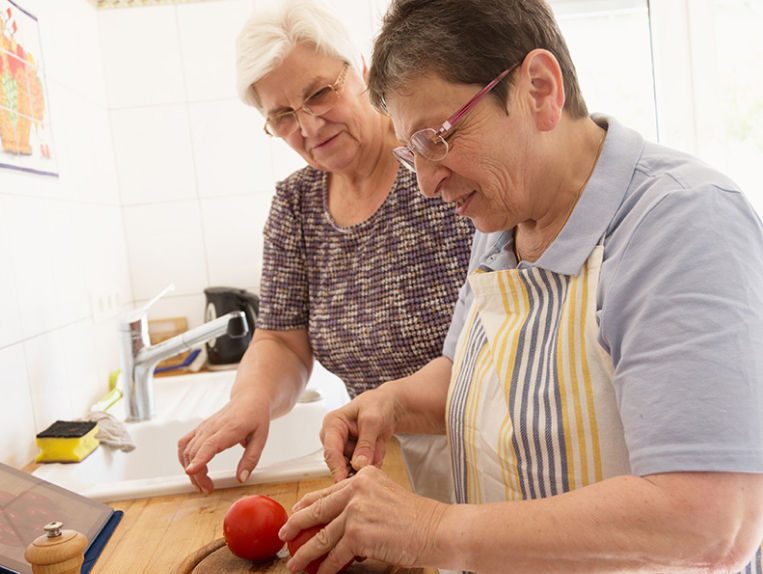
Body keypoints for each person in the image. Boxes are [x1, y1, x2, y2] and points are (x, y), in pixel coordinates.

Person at [277, 1, 763, 573]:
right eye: (412, 154)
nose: (428, 184)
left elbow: (710, 521)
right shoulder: (505, 216)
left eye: (437, 138)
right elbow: (473, 370)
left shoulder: (680, 223)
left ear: (539, 88)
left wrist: (431, 529)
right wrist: (394, 402)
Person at [176, 0, 473, 503]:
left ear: (360, 68)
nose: (309, 127)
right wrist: (251, 400)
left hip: (480, 443)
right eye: (283, 116)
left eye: (318, 93)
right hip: (380, 461)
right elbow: (283, 341)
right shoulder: (296, 204)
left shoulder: (434, 163)